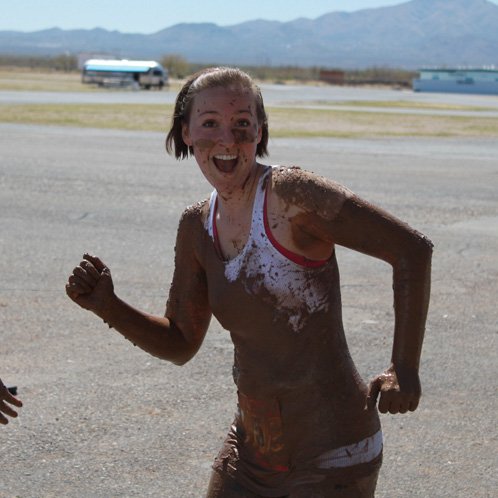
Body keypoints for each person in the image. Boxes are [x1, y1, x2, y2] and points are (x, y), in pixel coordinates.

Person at [66, 67, 432, 497]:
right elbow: (181, 342)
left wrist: (404, 367)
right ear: (186, 133)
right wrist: (109, 306)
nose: (227, 139)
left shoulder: (292, 195)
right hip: (252, 450)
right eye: (210, 124)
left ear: (260, 132)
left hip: (334, 450)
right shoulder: (196, 227)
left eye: (242, 124)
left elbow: (411, 250)